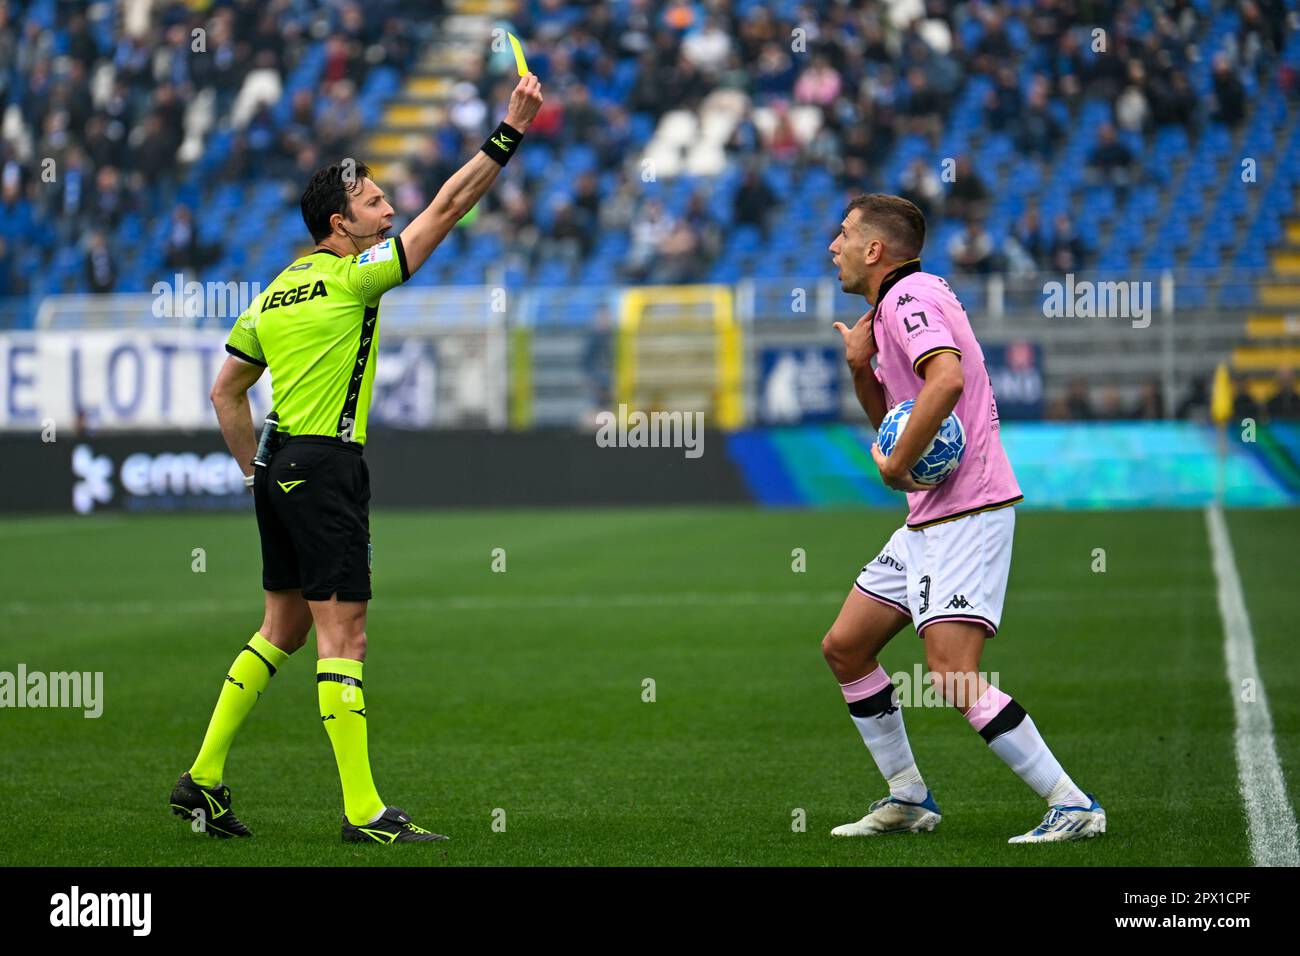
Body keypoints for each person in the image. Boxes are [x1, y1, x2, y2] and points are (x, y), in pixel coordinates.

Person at [170, 73, 544, 845]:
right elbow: (447, 208)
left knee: (283, 626)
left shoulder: (274, 292)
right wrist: (508, 132)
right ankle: (365, 814)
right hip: (328, 466)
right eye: (376, 203)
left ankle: (202, 780)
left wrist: (253, 474)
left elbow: (224, 393)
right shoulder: (352, 276)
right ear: (340, 224)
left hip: (279, 468)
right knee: (346, 638)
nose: (390, 210)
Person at [826, 194, 1105, 843]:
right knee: (846, 647)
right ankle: (909, 797)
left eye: (844, 235)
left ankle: (1072, 805)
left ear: (875, 249)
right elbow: (899, 424)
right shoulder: (892, 308)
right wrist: (859, 370)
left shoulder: (908, 298)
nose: (833, 246)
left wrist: (893, 467)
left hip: (968, 510)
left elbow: (945, 383)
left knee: (951, 670)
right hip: (930, 516)